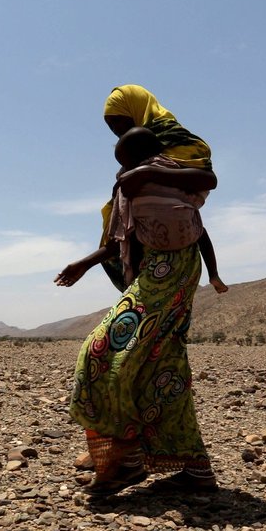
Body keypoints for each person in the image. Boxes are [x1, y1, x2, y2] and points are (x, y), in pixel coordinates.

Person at [54, 92, 222, 496]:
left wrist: (151, 175)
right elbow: (120, 237)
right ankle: (195, 470)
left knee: (100, 351)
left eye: (122, 129)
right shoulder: (128, 180)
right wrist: (85, 263)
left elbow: (207, 182)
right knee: (163, 366)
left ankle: (124, 460)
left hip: (173, 270)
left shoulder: (182, 156)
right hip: (153, 270)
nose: (118, 138)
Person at [111, 127, 227, 294]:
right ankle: (214, 274)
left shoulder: (127, 178)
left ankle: (133, 279)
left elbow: (123, 206)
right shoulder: (171, 166)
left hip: (154, 241)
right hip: (188, 235)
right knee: (201, 232)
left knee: (132, 235)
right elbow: (198, 193)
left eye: (124, 162)